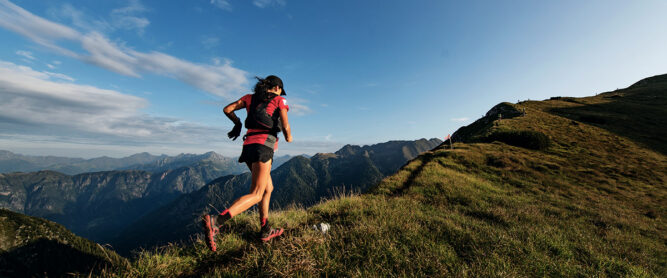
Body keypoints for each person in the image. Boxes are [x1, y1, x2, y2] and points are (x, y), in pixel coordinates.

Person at [202, 75, 292, 251]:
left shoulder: (249, 98)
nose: (280, 92)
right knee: (257, 193)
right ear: (276, 88)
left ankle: (265, 229)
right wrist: (288, 137)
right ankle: (216, 221)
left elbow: (227, 109)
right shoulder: (280, 100)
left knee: (268, 188)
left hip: (248, 146)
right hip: (263, 147)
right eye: (280, 89)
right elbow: (286, 125)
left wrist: (237, 123)